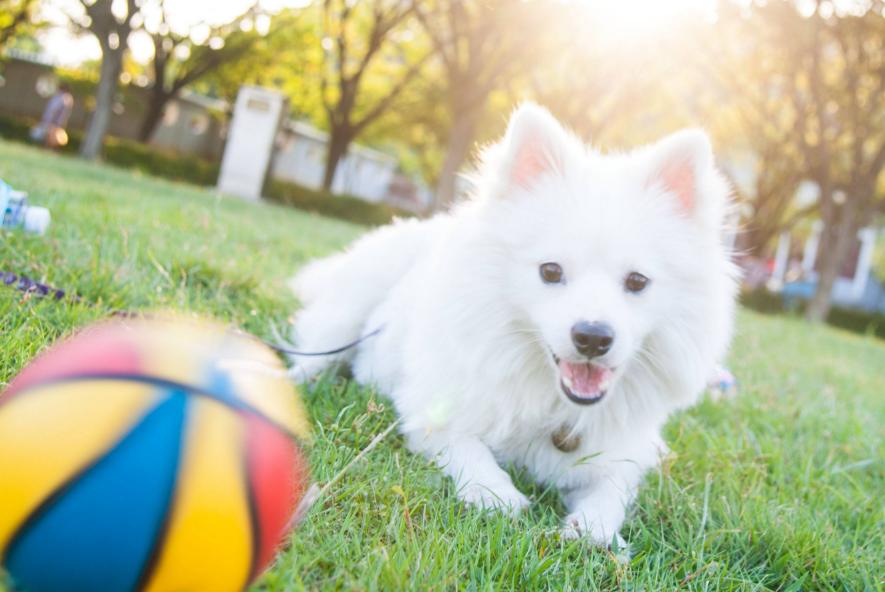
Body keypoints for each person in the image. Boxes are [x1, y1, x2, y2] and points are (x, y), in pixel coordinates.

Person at [31, 83, 74, 149]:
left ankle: (47, 149)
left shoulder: (62, 98)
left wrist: (50, 120)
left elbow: (54, 110)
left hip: (54, 122)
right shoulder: (66, 98)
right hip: (57, 122)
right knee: (52, 138)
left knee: (52, 138)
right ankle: (47, 149)